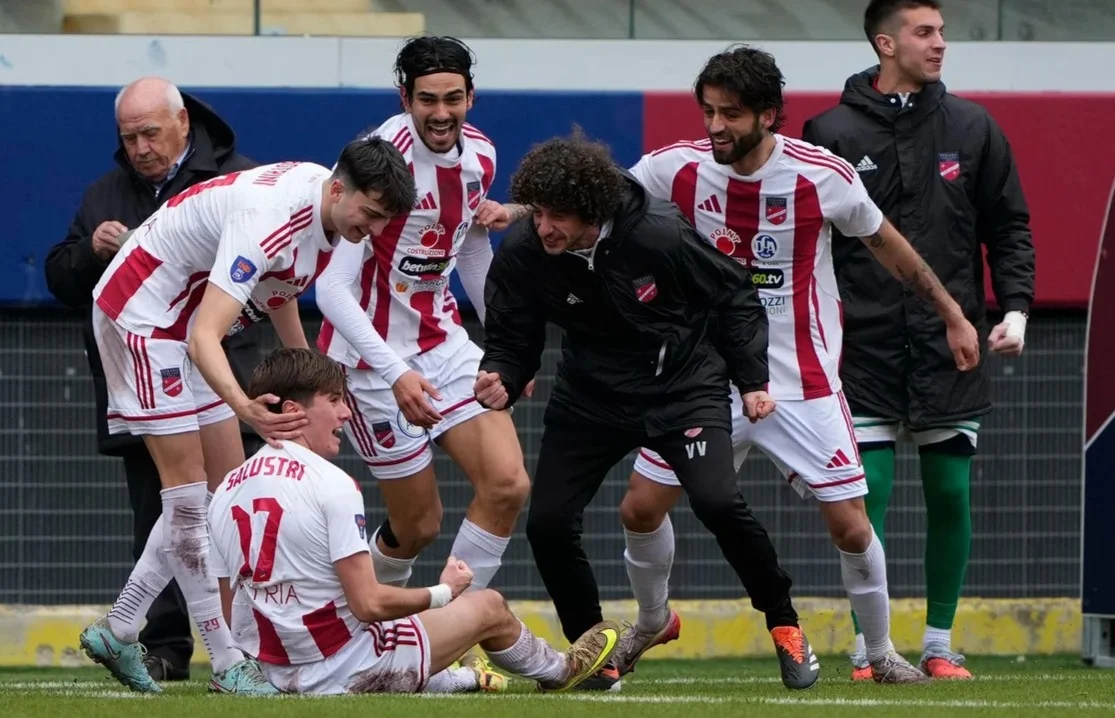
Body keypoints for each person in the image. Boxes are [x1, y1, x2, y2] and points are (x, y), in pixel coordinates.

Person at [614, 44, 980, 685]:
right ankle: (651, 620)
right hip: (706, 379)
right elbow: (598, 197)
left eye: (731, 113)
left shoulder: (823, 176)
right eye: (708, 111)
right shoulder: (676, 168)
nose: (716, 126)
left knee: (849, 522)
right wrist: (524, 213)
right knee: (639, 509)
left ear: (770, 115)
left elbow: (889, 246)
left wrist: (952, 314)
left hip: (801, 381)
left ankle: (882, 652)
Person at [475, 130, 819, 691]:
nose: (543, 228)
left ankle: (784, 623)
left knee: (717, 501)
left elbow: (735, 295)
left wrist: (752, 378)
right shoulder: (525, 252)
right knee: (548, 522)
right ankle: (594, 650)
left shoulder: (659, 234)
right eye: (537, 213)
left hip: (684, 386)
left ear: (592, 211)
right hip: (590, 397)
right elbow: (512, 335)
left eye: (557, 216)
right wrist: (503, 377)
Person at [76, 139, 417, 694]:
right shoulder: (270, 218)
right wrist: (245, 409)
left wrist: (312, 378)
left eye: (384, 220)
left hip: (182, 325)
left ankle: (119, 628)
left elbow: (277, 292)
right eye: (371, 215)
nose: (374, 230)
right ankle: (228, 660)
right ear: (338, 189)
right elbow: (207, 333)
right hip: (140, 315)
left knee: (223, 496)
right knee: (187, 499)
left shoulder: (327, 215)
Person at [800, 0, 1034, 681]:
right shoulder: (829, 130)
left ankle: (937, 643)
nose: (938, 45)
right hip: (859, 348)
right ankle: (868, 647)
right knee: (864, 492)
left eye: (941, 33)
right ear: (885, 42)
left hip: (948, 345)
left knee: (950, 493)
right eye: (923, 33)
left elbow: (1009, 226)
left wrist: (1014, 309)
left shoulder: (972, 126)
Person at [206, 347, 621, 695]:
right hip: (345, 667)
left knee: (407, 628)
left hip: (272, 673)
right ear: (294, 410)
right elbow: (368, 605)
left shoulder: (224, 491)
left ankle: (461, 677)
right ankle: (565, 672)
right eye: (333, 401)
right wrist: (445, 591)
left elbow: (230, 612)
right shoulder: (332, 484)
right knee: (490, 607)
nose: (346, 414)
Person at [43, 76, 262, 682]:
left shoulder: (237, 181)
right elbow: (62, 278)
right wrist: (92, 249)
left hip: (219, 371)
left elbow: (263, 278)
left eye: (150, 133)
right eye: (128, 137)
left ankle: (142, 632)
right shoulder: (106, 195)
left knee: (216, 510)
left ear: (183, 124)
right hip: (144, 371)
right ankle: (174, 649)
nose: (140, 147)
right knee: (173, 510)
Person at [316, 36, 531, 595]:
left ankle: (446, 631)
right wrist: (396, 373)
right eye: (427, 100)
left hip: (443, 342)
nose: (441, 114)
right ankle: (364, 624)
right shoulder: (377, 159)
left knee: (508, 484)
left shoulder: (481, 155)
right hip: (369, 362)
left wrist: (509, 348)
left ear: (471, 97)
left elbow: (472, 249)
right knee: (418, 527)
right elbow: (333, 290)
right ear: (404, 97)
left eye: (453, 99)